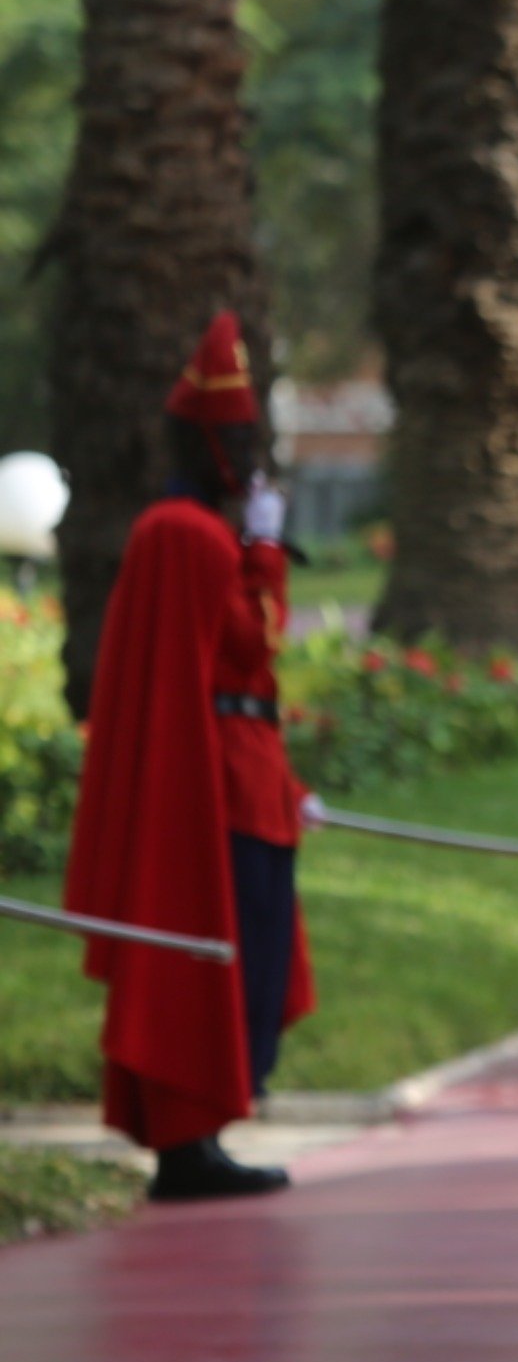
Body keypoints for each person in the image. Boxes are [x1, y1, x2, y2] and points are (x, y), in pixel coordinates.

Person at [64, 310, 314, 1201]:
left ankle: (202, 1137)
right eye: (237, 438)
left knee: (252, 956)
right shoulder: (188, 536)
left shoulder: (198, 532)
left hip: (249, 786)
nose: (249, 455)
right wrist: (265, 550)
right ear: (208, 442)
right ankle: (187, 1146)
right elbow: (252, 642)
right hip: (211, 793)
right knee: (210, 957)